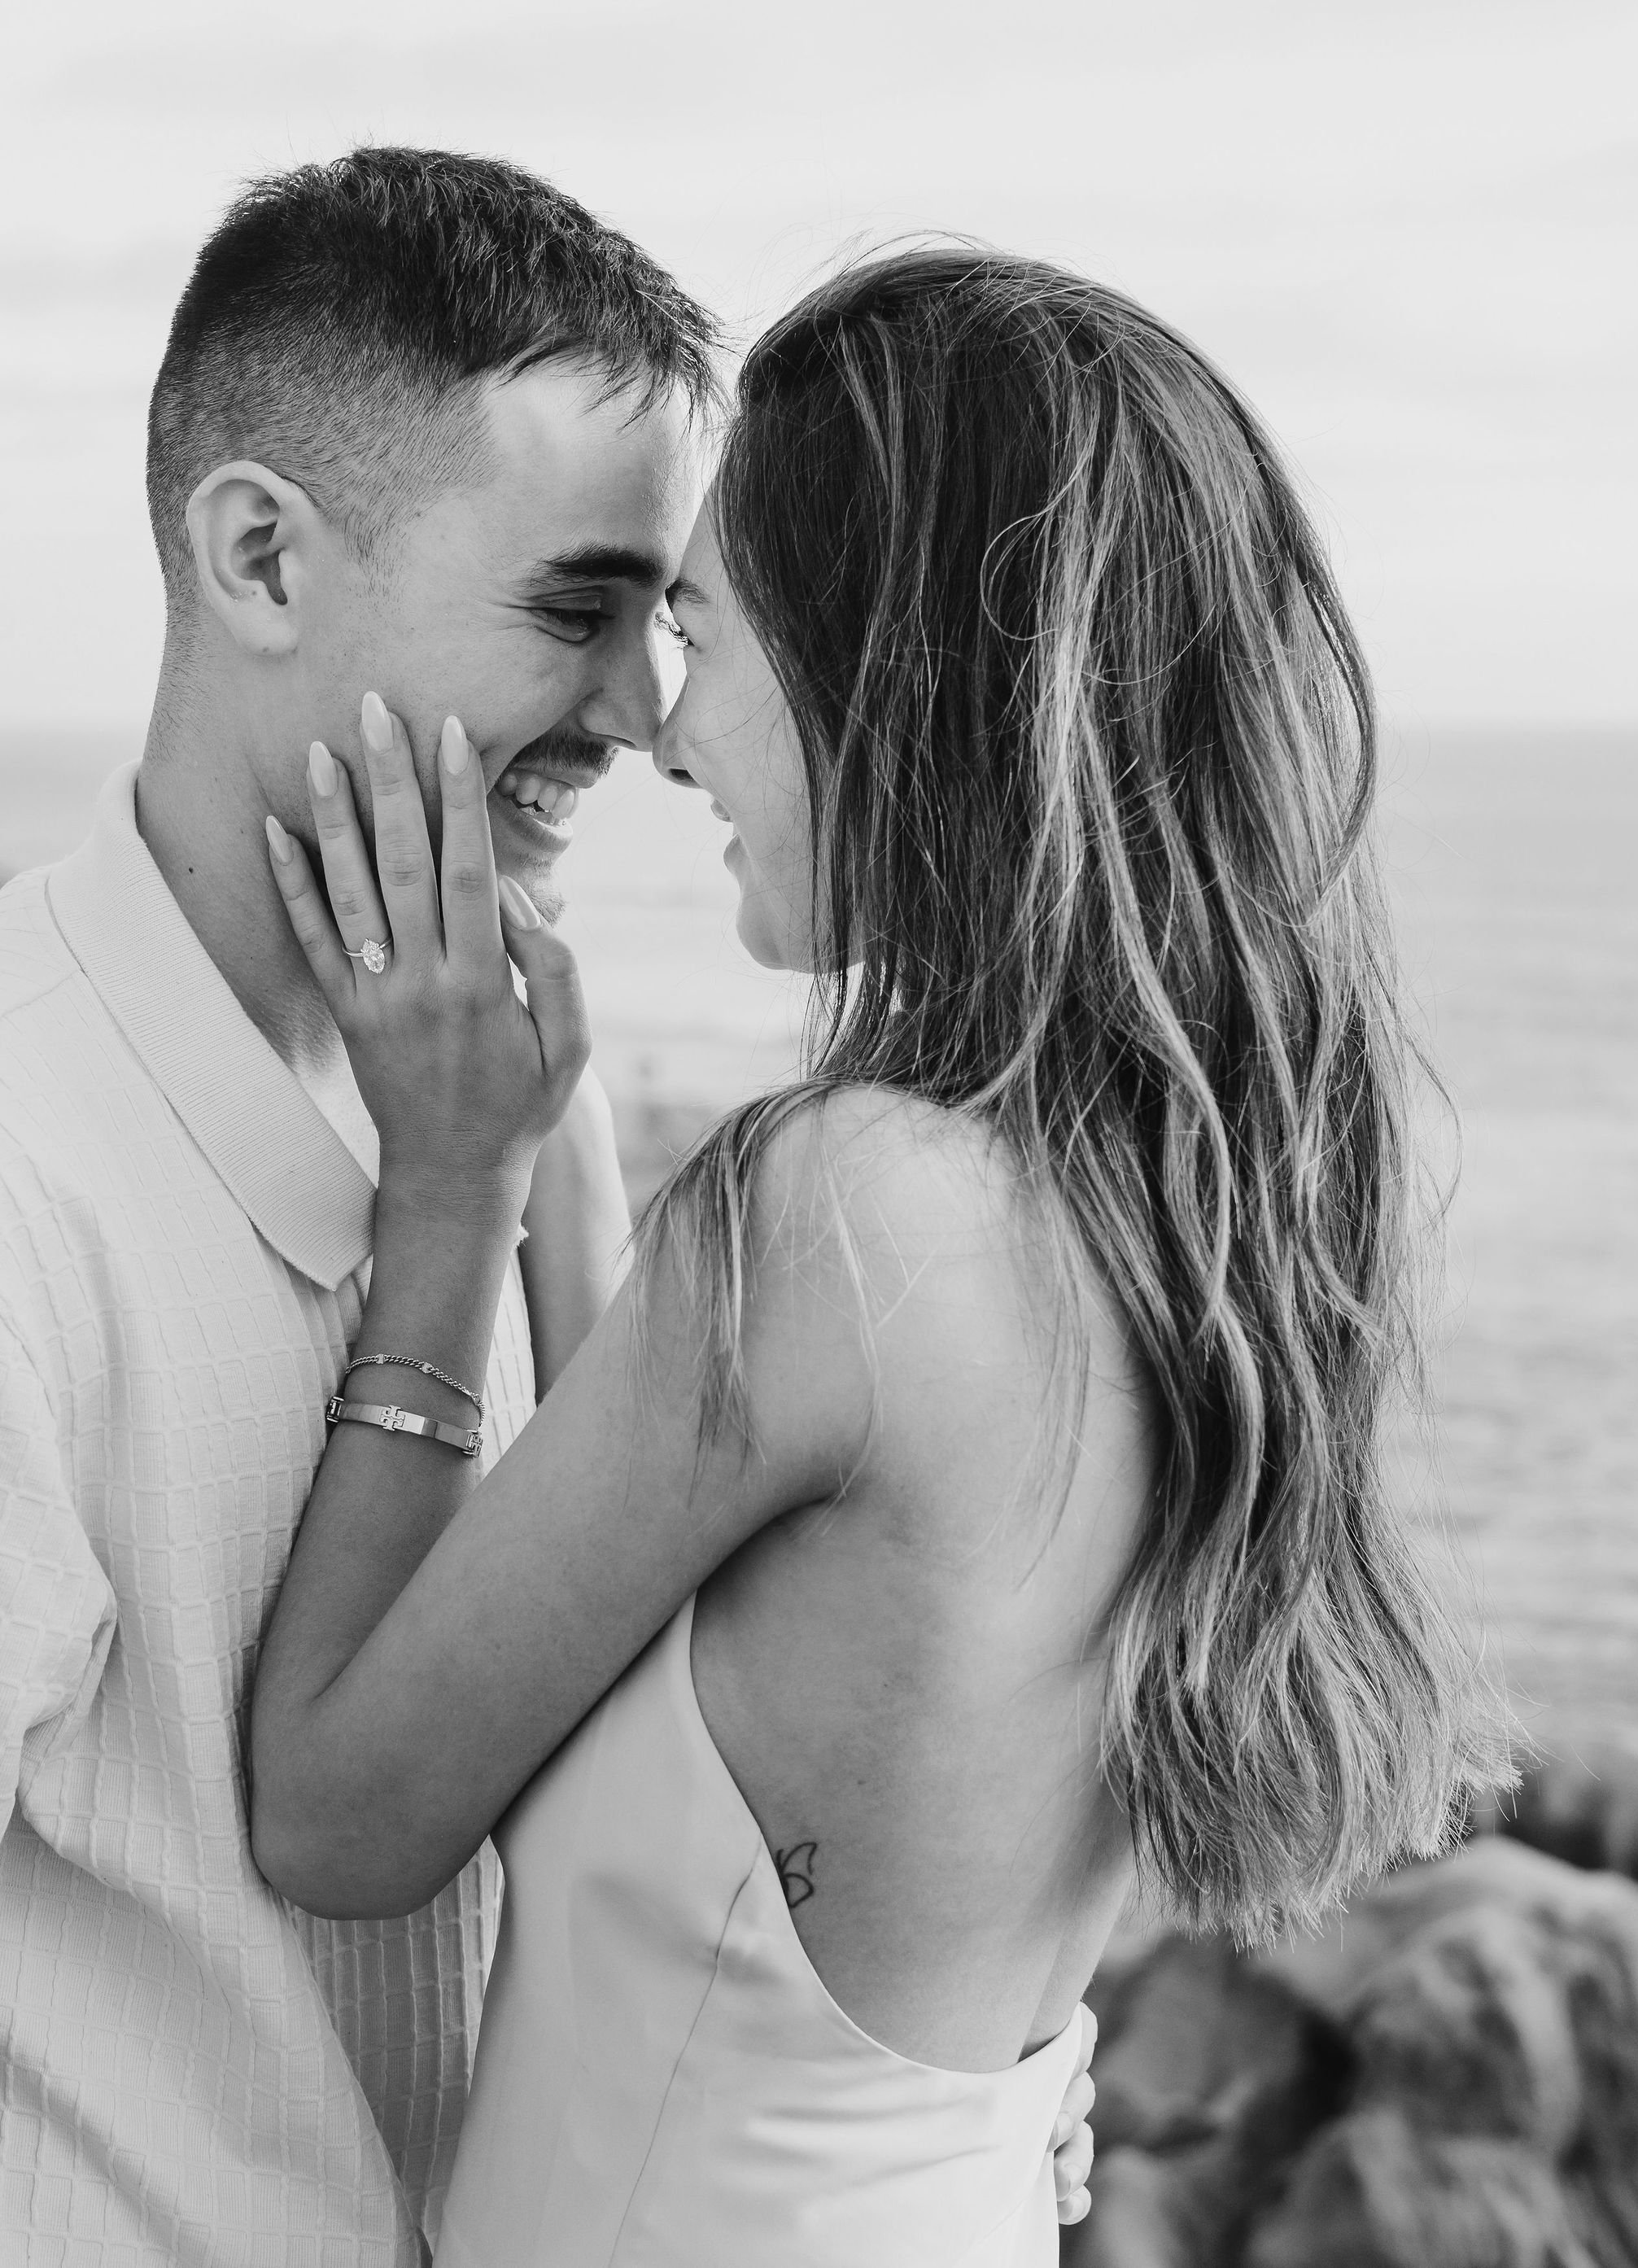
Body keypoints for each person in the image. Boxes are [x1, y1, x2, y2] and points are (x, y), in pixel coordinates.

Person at [249, 250, 1509, 2265]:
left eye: (706, 626)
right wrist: (556, 1151)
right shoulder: (1183, 1229)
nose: (663, 732)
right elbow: (706, 1668)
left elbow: (338, 1815)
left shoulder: (843, 1214)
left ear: (885, 672)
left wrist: (444, 1200)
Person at [0, 147, 715, 2263]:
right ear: (258, 556)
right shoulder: (23, 1151)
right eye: (577, 607)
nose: (649, 716)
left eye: (669, 620)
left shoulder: (517, 1095)